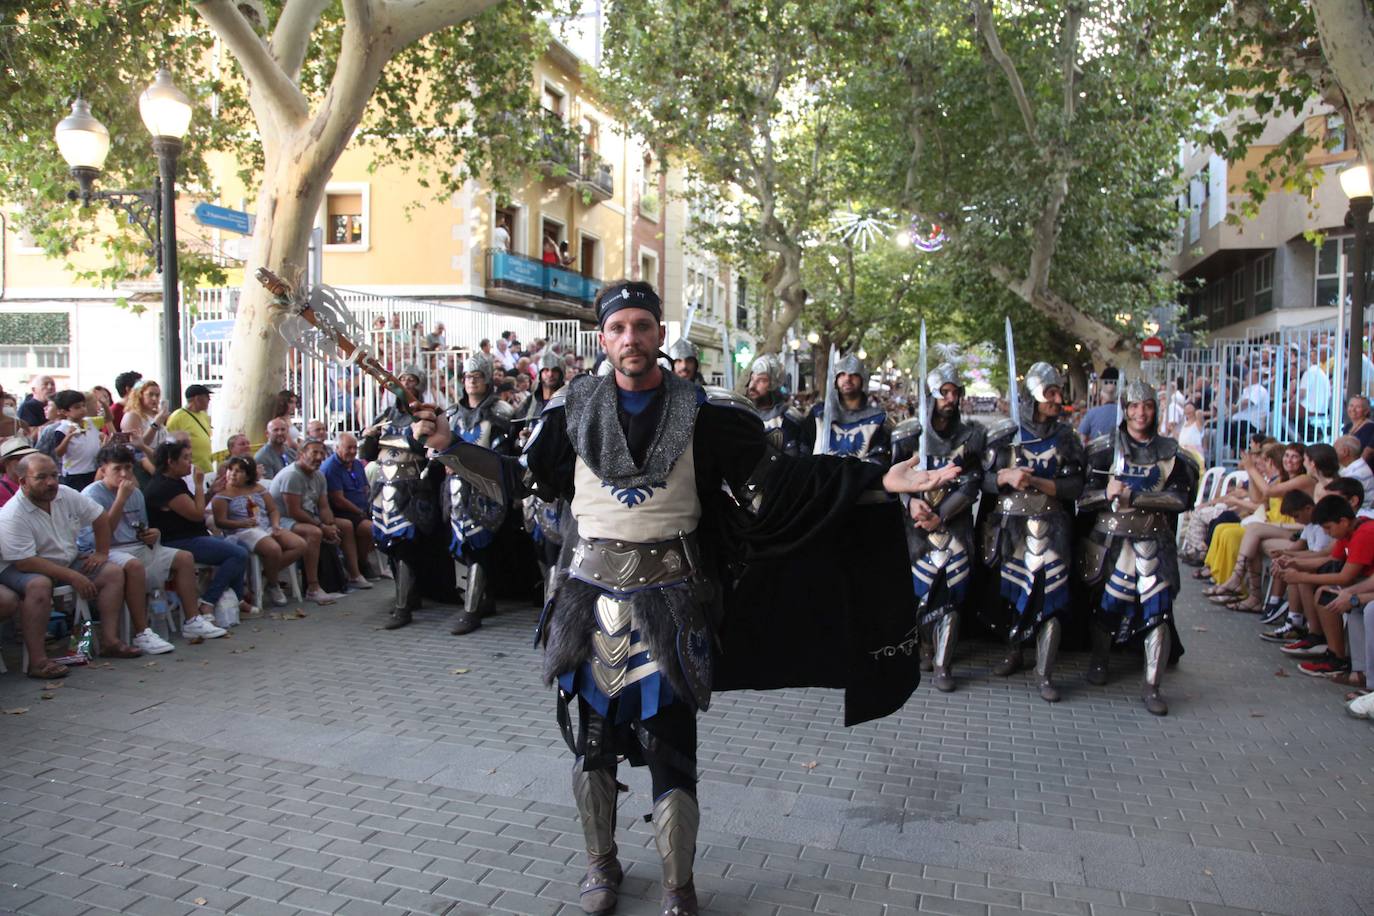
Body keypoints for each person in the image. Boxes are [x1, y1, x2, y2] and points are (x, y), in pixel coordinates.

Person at [432, 279, 955, 916]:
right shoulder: (569, 412)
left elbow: (778, 479)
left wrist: (876, 477)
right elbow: (519, 480)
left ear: (657, 333)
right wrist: (451, 450)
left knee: (670, 747)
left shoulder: (704, 413)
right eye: (619, 328)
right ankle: (602, 864)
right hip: (587, 603)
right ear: (604, 337)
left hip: (675, 602)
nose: (631, 339)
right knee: (591, 746)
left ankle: (679, 885)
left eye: (642, 327)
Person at [1077, 380, 1196, 716]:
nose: (1140, 413)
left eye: (1146, 406)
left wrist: (1136, 497)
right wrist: (1105, 494)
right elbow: (1082, 497)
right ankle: (1100, 661)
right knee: (1108, 606)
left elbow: (1180, 498)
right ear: (1125, 409)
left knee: (1157, 610)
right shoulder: (1103, 448)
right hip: (1111, 541)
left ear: (1154, 410)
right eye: (1133, 406)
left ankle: (1152, 684)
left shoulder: (1171, 452)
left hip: (1153, 539)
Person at [979, 362, 1084, 702]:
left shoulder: (1066, 437)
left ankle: (1045, 671)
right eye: (1049, 393)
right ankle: (1014, 652)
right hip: (1011, 528)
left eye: (1058, 392)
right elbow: (980, 479)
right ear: (1033, 396)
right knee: (1013, 594)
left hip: (1051, 525)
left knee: (1050, 596)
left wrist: (1036, 480)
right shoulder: (1005, 433)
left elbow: (1075, 486)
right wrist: (1004, 478)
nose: (1057, 399)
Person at [0, 452, 144, 673]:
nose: (51, 482)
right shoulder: (12, 514)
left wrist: (101, 552)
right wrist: (72, 576)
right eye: (41, 477)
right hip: (21, 567)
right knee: (39, 585)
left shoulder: (65, 494)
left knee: (112, 572)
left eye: (54, 476)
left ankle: (109, 642)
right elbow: (25, 562)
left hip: (66, 559)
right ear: (23, 482)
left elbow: (100, 517)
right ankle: (37, 662)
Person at [890, 362, 985, 693]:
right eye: (943, 392)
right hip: (913, 524)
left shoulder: (972, 437)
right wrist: (910, 503)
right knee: (915, 593)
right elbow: (893, 477)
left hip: (953, 524)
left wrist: (940, 515)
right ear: (929, 396)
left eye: (954, 392)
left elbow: (972, 482)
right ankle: (923, 648)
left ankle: (944, 662)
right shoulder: (907, 434)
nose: (949, 397)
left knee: (951, 593)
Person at [78, 445, 193, 654]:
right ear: (103, 470)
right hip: (106, 549)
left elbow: (141, 528)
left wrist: (151, 533)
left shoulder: (136, 493)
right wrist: (120, 499)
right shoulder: (92, 495)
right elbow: (101, 536)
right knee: (134, 565)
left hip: (136, 545)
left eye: (128, 468)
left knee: (184, 558)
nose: (124, 474)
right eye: (117, 469)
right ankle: (142, 632)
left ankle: (193, 621)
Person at [432, 353, 515, 635]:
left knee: (479, 543)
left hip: (485, 487)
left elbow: (504, 451)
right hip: (455, 489)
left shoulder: (501, 410)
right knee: (463, 546)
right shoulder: (451, 414)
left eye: (477, 377)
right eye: (468, 377)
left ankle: (472, 610)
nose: (472, 382)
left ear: (487, 380)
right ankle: (480, 598)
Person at [143, 441, 252, 632]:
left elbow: (193, 508)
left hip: (194, 535)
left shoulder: (175, 482)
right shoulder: (164, 487)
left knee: (242, 547)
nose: (190, 462)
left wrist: (210, 492)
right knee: (237, 554)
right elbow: (196, 514)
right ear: (171, 462)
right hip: (178, 541)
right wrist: (200, 486)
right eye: (185, 458)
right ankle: (208, 601)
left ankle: (236, 598)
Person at [270, 439, 370, 599]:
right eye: (314, 453)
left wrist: (330, 525)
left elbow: (324, 506)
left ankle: (354, 574)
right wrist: (323, 527)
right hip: (282, 520)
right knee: (314, 533)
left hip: (308, 516)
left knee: (345, 525)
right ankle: (313, 587)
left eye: (321, 453)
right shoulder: (292, 475)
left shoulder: (319, 476)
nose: (318, 457)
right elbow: (294, 511)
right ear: (301, 455)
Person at [212, 456, 307, 607]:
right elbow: (220, 522)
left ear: (248, 475)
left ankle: (267, 575)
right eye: (231, 470)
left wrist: (275, 524)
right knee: (273, 549)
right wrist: (241, 522)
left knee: (299, 544)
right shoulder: (222, 495)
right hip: (243, 530)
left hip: (266, 526)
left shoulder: (258, 489)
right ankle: (273, 584)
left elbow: (273, 509)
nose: (233, 474)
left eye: (239, 471)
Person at [802, 353, 892, 463]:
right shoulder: (819, 413)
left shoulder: (877, 418)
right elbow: (804, 451)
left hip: (860, 478)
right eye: (842, 374)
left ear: (862, 379)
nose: (848, 378)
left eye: (854, 374)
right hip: (821, 477)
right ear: (835, 380)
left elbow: (879, 459)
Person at [321, 432, 381, 579]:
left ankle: (362, 561)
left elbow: (366, 488)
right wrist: (360, 512)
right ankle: (360, 564)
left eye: (355, 448)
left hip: (361, 509)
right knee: (373, 530)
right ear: (337, 448)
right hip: (343, 511)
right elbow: (338, 500)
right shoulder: (331, 467)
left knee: (378, 525)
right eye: (349, 448)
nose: (353, 451)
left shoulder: (357, 464)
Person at [746, 354, 804, 456]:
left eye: (761, 380)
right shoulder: (742, 415)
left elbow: (795, 461)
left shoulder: (790, 418)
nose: (752, 386)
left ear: (774, 384)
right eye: (752, 379)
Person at [47, 389, 101, 491]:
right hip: (74, 473)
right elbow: (58, 453)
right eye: (77, 407)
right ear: (64, 411)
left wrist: (102, 403)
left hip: (93, 469)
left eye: (83, 405)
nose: (82, 409)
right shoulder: (62, 429)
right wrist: (68, 437)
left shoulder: (90, 422)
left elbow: (108, 418)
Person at [119, 379, 169, 481]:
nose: (154, 398)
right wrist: (155, 424)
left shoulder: (156, 414)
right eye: (150, 395)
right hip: (143, 464)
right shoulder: (132, 415)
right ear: (140, 395)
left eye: (157, 395)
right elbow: (139, 444)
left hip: (161, 458)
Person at [166, 384, 214, 474]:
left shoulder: (203, 415)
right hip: (190, 471)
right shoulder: (177, 417)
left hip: (206, 467)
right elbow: (170, 444)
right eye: (206, 397)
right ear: (197, 399)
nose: (209, 400)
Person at [1077, 368, 1119, 443]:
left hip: (1096, 452)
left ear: (1101, 396)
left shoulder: (1092, 413)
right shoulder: (1124, 413)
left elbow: (1081, 438)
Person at [1335, 435, 1373, 508]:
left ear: (1345, 451)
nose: (1333, 452)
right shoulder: (1359, 465)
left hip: (1360, 514)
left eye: (1334, 449)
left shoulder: (1354, 474)